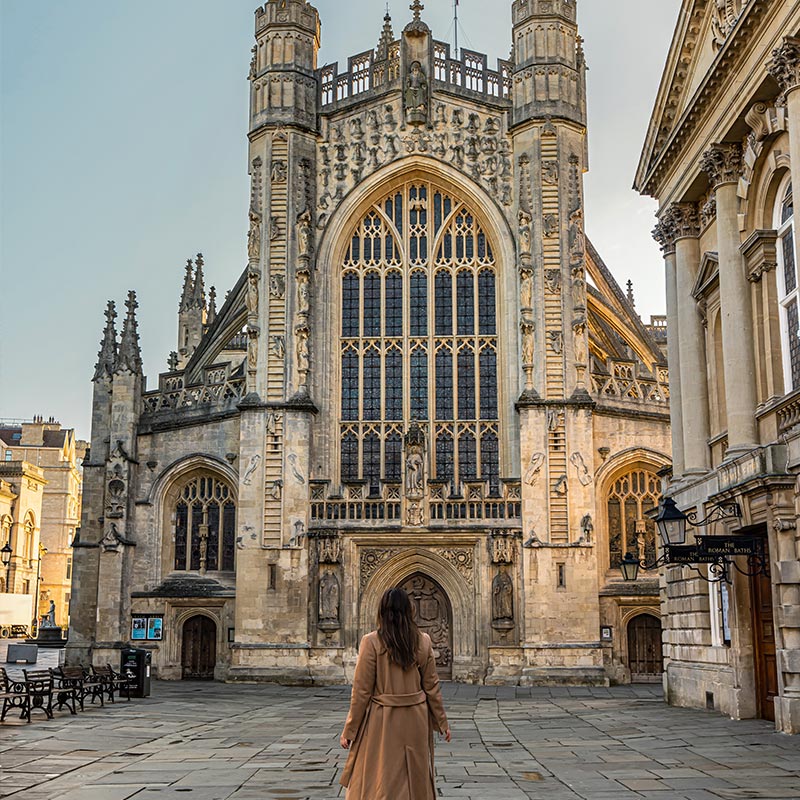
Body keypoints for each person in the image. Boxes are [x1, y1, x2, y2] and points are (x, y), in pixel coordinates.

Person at [339, 587, 451, 799]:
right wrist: (441, 723)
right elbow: (432, 687)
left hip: (383, 719)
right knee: (414, 774)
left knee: (383, 774)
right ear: (410, 611)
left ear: (381, 611)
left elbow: (361, 691)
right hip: (416, 718)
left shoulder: (371, 642)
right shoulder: (423, 640)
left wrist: (349, 730)